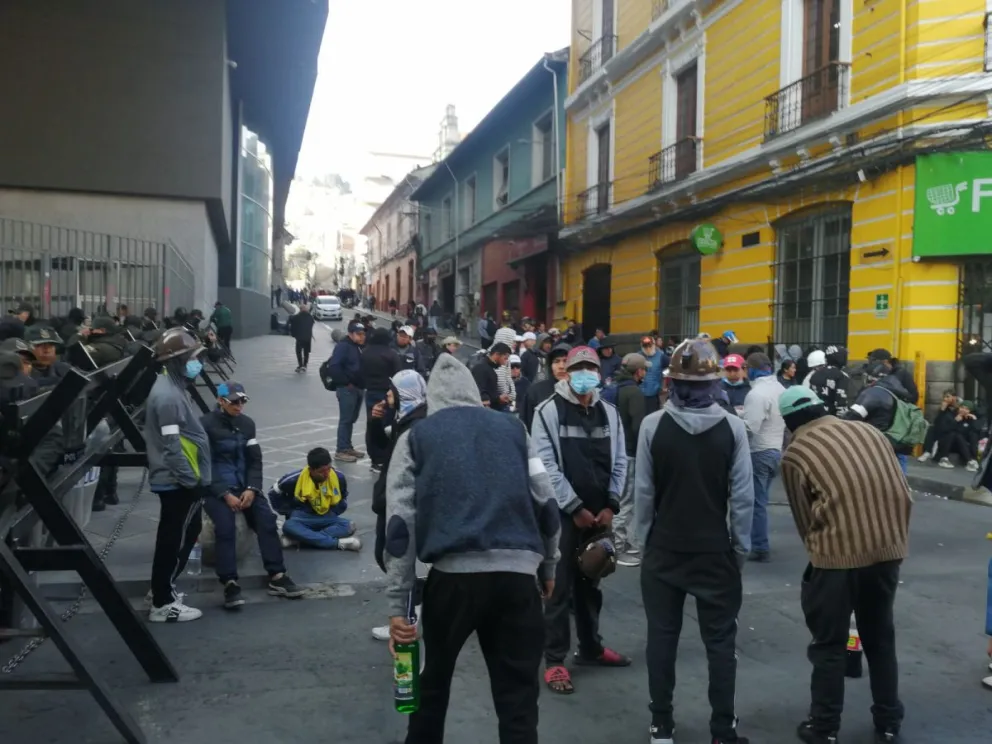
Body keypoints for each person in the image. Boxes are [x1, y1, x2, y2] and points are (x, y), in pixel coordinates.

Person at [384, 354, 561, 744]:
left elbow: (400, 526)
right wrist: (548, 567)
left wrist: (400, 606)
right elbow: (547, 503)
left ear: (433, 398)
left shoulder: (416, 437)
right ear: (473, 392)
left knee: (432, 687)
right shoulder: (514, 429)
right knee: (518, 697)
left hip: (453, 579)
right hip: (517, 577)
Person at [634, 337, 755, 744]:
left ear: (672, 382)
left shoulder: (653, 426)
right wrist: (739, 550)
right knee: (720, 644)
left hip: (664, 551)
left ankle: (661, 724)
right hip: (713, 551)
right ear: (714, 383)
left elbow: (644, 494)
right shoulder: (733, 428)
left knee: (661, 640)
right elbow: (741, 499)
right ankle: (723, 729)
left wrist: (644, 543)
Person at [777, 386, 910, 744]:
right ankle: (888, 722)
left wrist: (824, 553)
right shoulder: (870, 432)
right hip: (887, 550)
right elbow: (902, 490)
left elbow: (805, 521)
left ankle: (824, 728)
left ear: (789, 423)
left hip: (836, 559)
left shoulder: (795, 453)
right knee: (880, 638)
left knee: (829, 645)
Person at [532, 345, 630, 695]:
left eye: (591, 367)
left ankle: (590, 648)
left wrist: (611, 506)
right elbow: (545, 466)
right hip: (562, 515)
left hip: (600, 514)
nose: (585, 373)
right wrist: (574, 508)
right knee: (557, 589)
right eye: (578, 367)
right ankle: (555, 660)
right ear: (567, 372)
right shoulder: (547, 412)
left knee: (592, 581)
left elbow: (620, 462)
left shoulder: (611, 414)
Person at [201, 381, 304, 608]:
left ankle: (277, 575)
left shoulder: (247, 425)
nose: (239, 406)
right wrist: (224, 493)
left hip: (244, 486)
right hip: (216, 489)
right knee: (225, 527)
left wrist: (251, 488)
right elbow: (204, 464)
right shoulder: (205, 425)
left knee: (267, 521)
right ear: (220, 401)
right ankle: (229, 582)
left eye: (243, 401)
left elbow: (254, 460)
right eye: (234, 402)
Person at [143, 327, 212, 622]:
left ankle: (162, 588)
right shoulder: (169, 397)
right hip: (178, 481)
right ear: (177, 361)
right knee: (173, 539)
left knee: (186, 531)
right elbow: (172, 447)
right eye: (193, 357)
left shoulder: (173, 386)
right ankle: (162, 601)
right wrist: (190, 482)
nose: (199, 362)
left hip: (181, 479)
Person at [368, 370, 429, 640]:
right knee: (387, 557)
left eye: (391, 392)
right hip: (389, 503)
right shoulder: (403, 421)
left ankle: (407, 620)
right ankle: (411, 611)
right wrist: (374, 422)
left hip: (400, 506)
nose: (387, 397)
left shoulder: (416, 426)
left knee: (396, 559)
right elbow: (379, 452)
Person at [270, 447, 361, 551]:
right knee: (288, 526)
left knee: (349, 525)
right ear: (311, 470)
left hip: (327, 516)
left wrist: (334, 512)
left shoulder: (338, 477)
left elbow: (343, 496)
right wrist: (288, 512)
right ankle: (337, 543)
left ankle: (302, 539)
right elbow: (273, 492)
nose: (327, 474)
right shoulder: (294, 479)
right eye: (321, 471)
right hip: (302, 517)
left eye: (329, 468)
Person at [741, 352, 785, 563]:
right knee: (761, 499)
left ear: (751, 368)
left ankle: (759, 545)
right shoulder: (780, 389)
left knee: (755, 501)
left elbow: (750, 428)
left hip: (758, 451)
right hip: (776, 449)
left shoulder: (756, 394)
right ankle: (756, 541)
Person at [614, 352, 647, 567]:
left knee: (620, 497)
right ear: (639, 371)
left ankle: (622, 543)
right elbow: (638, 426)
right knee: (626, 501)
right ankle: (618, 547)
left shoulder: (613, 388)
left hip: (616, 449)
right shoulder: (634, 393)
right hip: (630, 452)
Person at [360, 326, 401, 468]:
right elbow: (398, 374)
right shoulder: (391, 354)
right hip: (386, 393)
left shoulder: (365, 353)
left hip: (370, 391)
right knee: (386, 425)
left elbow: (359, 372)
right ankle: (383, 456)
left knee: (372, 422)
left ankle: (373, 457)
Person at [327, 320, 366, 463]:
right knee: (345, 420)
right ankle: (341, 450)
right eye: (359, 334)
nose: (362, 337)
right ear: (350, 334)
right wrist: (346, 383)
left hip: (357, 388)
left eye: (363, 334)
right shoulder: (343, 346)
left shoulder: (357, 346)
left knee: (351, 419)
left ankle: (348, 446)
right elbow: (334, 367)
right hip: (347, 389)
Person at [519, 341, 571, 430]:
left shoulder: (582, 393)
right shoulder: (535, 392)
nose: (561, 366)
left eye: (566, 361)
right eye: (556, 361)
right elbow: (525, 427)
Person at [471, 342, 512, 411]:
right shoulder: (481, 367)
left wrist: (498, 398)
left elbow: (490, 393)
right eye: (505, 358)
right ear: (497, 354)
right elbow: (480, 391)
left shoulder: (488, 368)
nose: (505, 362)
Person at [288, 304, 316, 373]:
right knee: (306, 352)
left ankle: (300, 365)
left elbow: (292, 323)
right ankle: (305, 365)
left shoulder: (297, 317)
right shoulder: (310, 317)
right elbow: (312, 324)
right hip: (308, 337)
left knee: (299, 351)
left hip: (300, 337)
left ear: (300, 309)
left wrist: (293, 335)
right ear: (306, 310)